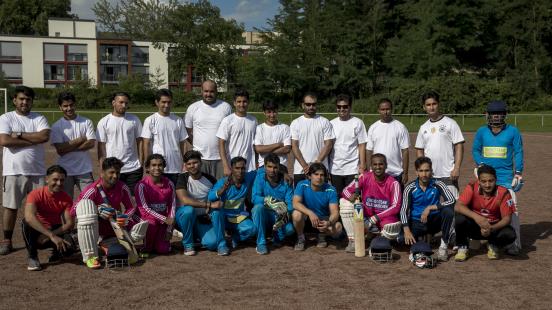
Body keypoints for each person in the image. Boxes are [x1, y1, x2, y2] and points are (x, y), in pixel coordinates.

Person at [0, 86, 50, 255]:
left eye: (28, 99)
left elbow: (44, 137)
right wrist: (32, 139)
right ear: (14, 100)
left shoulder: (39, 118)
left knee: (39, 208)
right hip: (13, 170)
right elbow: (5, 140)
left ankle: (38, 238)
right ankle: (7, 240)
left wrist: (19, 135)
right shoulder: (6, 118)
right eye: (21, 99)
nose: (24, 102)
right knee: (11, 206)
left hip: (37, 171)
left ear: (31, 101)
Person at [472, 100, 524, 255]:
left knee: (512, 211)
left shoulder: (513, 131)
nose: (496, 116)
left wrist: (518, 172)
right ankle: (475, 239)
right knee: (478, 209)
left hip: (505, 178)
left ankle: (514, 243)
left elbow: (518, 152)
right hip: (485, 178)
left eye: (500, 113)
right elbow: (475, 149)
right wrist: (480, 163)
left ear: (505, 115)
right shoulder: (481, 131)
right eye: (493, 113)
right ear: (488, 115)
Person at [72, 157, 141, 269]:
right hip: (94, 229)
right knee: (86, 206)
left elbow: (131, 207)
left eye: (117, 173)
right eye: (111, 172)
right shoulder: (92, 190)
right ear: (102, 173)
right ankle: (91, 256)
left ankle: (105, 244)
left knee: (128, 252)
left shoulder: (121, 186)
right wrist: (97, 210)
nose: (115, 176)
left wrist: (124, 217)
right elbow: (73, 210)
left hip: (113, 229)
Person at [454, 165, 517, 261]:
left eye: (491, 181)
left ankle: (493, 244)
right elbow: (458, 206)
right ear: (478, 181)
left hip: (493, 228)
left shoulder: (504, 193)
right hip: (475, 226)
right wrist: (477, 218)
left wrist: (491, 228)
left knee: (510, 234)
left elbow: (507, 219)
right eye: (483, 181)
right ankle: (462, 247)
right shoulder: (472, 186)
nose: (487, 185)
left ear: (496, 180)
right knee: (459, 218)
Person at [340, 154, 402, 252]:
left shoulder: (394, 183)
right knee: (344, 203)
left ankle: (380, 241)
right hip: (366, 218)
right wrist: (350, 197)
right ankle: (353, 241)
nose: (378, 167)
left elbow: (396, 207)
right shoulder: (364, 177)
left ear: (386, 165)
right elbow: (345, 190)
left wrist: (375, 218)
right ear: (371, 166)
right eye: (375, 164)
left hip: (383, 218)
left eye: (381, 164)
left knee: (392, 226)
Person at [400, 157, 456, 261]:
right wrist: (406, 230)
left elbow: (452, 200)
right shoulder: (410, 187)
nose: (424, 174)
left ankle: (443, 246)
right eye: (421, 171)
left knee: (448, 211)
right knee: (401, 240)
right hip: (417, 222)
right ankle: (425, 237)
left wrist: (430, 207)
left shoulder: (438, 184)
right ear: (416, 172)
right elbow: (403, 210)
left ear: (431, 171)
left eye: (427, 170)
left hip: (434, 221)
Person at [22, 165, 75, 271]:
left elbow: (69, 223)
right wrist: (50, 235)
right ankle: (33, 257)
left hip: (54, 228)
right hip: (37, 230)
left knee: (69, 249)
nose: (59, 183)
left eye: (62, 180)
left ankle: (57, 252)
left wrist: (51, 235)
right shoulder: (35, 194)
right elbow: (29, 217)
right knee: (25, 223)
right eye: (55, 179)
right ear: (47, 179)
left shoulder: (66, 198)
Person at [174, 151, 227, 256]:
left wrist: (211, 211)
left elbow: (217, 199)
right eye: (189, 164)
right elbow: (185, 200)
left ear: (201, 163)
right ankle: (188, 244)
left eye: (195, 163)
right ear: (185, 166)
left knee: (212, 243)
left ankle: (197, 237)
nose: (192, 166)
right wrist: (208, 205)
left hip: (203, 218)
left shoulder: (210, 179)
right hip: (185, 217)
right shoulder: (182, 178)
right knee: (189, 210)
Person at [415, 91, 464, 198]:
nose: (431, 107)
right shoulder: (423, 127)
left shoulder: (450, 123)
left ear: (438, 104)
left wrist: (457, 168)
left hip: (449, 174)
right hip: (430, 175)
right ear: (424, 107)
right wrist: (422, 168)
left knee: (453, 205)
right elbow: (419, 149)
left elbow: (459, 146)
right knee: (431, 206)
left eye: (434, 104)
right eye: (428, 105)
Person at [207, 157, 261, 253]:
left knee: (252, 229)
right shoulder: (223, 182)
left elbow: (261, 170)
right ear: (231, 169)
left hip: (239, 217)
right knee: (216, 212)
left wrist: (284, 173)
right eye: (237, 168)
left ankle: (235, 238)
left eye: (243, 168)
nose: (240, 171)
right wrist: (223, 189)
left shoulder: (248, 177)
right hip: (224, 218)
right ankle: (221, 245)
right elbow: (210, 197)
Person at [50, 91, 96, 199]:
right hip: (64, 171)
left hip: (84, 169)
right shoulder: (56, 126)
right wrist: (81, 139)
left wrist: (67, 147)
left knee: (90, 201)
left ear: (75, 104)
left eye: (71, 105)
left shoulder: (86, 122)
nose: (69, 108)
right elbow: (60, 150)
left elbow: (90, 143)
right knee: (65, 203)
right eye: (65, 106)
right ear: (60, 107)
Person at [97, 92, 143, 192]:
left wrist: (141, 162)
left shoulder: (134, 120)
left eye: (126, 103)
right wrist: (102, 168)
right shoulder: (104, 122)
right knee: (113, 200)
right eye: (121, 102)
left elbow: (140, 142)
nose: (124, 105)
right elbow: (101, 147)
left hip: (133, 168)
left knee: (133, 200)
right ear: (113, 103)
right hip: (112, 169)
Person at [185, 80, 232, 179]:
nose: (208, 94)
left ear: (216, 91)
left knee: (221, 188)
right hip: (200, 158)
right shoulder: (193, 108)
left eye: (211, 91)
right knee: (202, 189)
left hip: (221, 158)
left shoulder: (226, 107)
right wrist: (198, 144)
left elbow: (230, 131)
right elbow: (187, 131)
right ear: (201, 91)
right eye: (206, 91)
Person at [141, 89, 188, 185]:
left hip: (176, 167)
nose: (166, 105)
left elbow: (183, 144)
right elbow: (146, 144)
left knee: (176, 197)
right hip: (157, 168)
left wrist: (185, 163)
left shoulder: (178, 120)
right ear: (157, 102)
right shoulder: (150, 120)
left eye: (169, 102)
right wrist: (147, 165)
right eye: (163, 102)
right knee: (158, 196)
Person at [292, 163, 342, 251]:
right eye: (316, 174)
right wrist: (310, 213)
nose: (319, 177)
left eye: (322, 175)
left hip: (323, 222)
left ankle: (321, 236)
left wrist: (329, 223)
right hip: (307, 220)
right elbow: (295, 203)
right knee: (296, 214)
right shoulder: (302, 185)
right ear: (309, 176)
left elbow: (335, 213)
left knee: (338, 228)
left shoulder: (331, 189)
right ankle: (301, 238)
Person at [134, 154, 176, 256]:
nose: (157, 168)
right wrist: (164, 219)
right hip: (144, 219)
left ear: (164, 167)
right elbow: (144, 209)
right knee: (151, 223)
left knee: (164, 250)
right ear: (147, 168)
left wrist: (169, 228)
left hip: (161, 221)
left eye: (160, 165)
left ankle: (157, 242)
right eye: (153, 165)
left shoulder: (170, 184)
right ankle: (145, 246)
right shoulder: (142, 185)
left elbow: (172, 206)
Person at [252, 153, 295, 251]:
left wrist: (283, 213)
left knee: (290, 230)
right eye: (269, 166)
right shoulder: (259, 178)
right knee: (258, 208)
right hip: (265, 215)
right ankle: (261, 243)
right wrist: (271, 201)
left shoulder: (286, 181)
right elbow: (254, 198)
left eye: (275, 167)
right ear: (265, 167)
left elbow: (290, 204)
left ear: (279, 167)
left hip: (280, 216)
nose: (272, 170)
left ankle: (277, 235)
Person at [290, 93, 335, 185]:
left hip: (320, 170)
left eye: (313, 104)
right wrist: (305, 166)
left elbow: (328, 144)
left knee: (321, 198)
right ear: (303, 105)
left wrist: (316, 163)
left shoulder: (324, 122)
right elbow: (294, 146)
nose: (311, 107)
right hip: (301, 170)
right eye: (308, 104)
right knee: (301, 198)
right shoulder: (296, 123)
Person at [330, 94, 368, 194]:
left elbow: (362, 144)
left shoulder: (357, 122)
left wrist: (363, 165)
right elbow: (328, 146)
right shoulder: (331, 124)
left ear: (350, 107)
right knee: (337, 199)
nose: (342, 109)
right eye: (339, 107)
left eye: (345, 107)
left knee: (353, 200)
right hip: (335, 169)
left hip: (352, 169)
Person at [366, 99, 409, 186]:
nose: (385, 112)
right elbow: (369, 150)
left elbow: (405, 151)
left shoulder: (400, 127)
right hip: (377, 173)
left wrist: (405, 172)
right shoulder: (373, 127)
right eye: (383, 109)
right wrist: (368, 170)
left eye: (387, 109)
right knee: (378, 199)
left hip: (395, 173)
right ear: (378, 110)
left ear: (392, 109)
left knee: (396, 199)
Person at [217, 89, 257, 175]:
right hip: (233, 167)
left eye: (244, 101)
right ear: (234, 103)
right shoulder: (227, 120)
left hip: (250, 167)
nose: (242, 104)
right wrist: (225, 166)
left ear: (248, 102)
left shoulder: (254, 120)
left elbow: (255, 145)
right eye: (239, 102)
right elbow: (221, 143)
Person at [254, 100, 292, 172]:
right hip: (263, 165)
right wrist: (278, 144)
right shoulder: (259, 128)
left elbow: (287, 148)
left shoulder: (285, 127)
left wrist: (268, 153)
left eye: (274, 111)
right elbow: (259, 149)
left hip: (281, 165)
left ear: (277, 111)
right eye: (269, 112)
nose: (272, 115)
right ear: (264, 113)